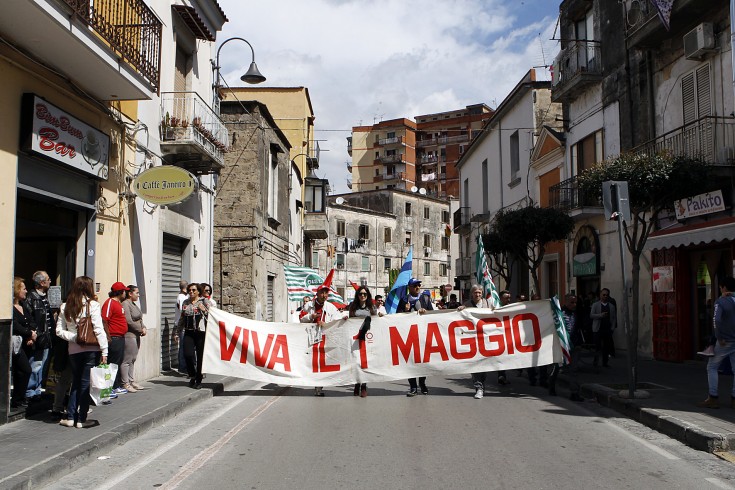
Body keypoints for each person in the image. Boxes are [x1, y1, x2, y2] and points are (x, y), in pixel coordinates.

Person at [56, 276, 108, 428]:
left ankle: (71, 417)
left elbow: (59, 330)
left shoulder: (65, 306)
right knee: (85, 384)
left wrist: (74, 337)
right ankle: (81, 419)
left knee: (76, 383)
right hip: (91, 349)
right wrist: (104, 350)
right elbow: (98, 329)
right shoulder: (93, 305)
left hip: (73, 350)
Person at [300, 282, 347, 396]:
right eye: (322, 292)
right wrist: (311, 316)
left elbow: (336, 319)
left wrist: (341, 318)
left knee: (321, 361)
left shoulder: (330, 307)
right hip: (310, 337)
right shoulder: (308, 305)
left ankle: (318, 386)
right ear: (318, 293)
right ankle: (313, 382)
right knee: (311, 361)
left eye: (326, 293)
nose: (324, 295)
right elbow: (301, 318)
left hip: (325, 338)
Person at [699, 277, 735, 409]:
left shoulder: (721, 301)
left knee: (712, 366)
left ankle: (713, 397)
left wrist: (719, 337)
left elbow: (717, 321)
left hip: (726, 340)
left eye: (720, 287)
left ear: (724, 287)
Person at [398, 278, 433, 396]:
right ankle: (413, 386)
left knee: (423, 362)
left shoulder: (425, 299)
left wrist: (426, 312)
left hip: (422, 335)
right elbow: (396, 317)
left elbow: (433, 315)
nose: (418, 287)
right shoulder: (403, 300)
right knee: (410, 362)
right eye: (415, 285)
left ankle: (422, 383)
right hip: (408, 336)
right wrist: (404, 310)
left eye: (419, 285)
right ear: (410, 287)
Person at [24, 270, 53, 401]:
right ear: (42, 282)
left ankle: (37, 390)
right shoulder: (31, 298)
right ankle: (30, 392)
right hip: (38, 338)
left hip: (45, 337)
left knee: (42, 365)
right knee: (35, 364)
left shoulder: (43, 297)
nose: (50, 281)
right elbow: (30, 319)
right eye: (48, 279)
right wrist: (34, 334)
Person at [176, 283, 213, 389]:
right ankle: (192, 374)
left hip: (200, 332)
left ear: (198, 292)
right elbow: (182, 318)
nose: (191, 292)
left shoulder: (204, 301)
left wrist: (204, 310)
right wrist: (177, 332)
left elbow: (213, 313)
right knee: (188, 354)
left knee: (200, 357)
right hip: (188, 332)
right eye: (189, 290)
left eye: (193, 290)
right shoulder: (186, 303)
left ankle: (198, 379)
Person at [548, 293, 583, 401]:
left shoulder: (577, 314)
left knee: (574, 370)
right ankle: (551, 386)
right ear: (566, 302)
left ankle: (574, 393)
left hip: (574, 345)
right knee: (557, 367)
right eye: (572, 302)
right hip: (561, 345)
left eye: (575, 302)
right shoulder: (559, 314)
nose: (574, 304)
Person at [458, 285, 491, 399]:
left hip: (485, 338)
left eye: (479, 293)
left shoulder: (488, 304)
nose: (477, 295)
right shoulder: (466, 305)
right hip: (472, 338)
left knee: (484, 365)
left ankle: (482, 384)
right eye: (475, 293)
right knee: (475, 364)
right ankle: (479, 387)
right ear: (472, 294)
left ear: (482, 293)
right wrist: (460, 311)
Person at [348, 286, 377, 397]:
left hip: (367, 338)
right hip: (355, 337)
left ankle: (364, 385)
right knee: (356, 361)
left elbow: (376, 321)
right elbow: (350, 321)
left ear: (368, 295)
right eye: (360, 293)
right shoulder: (353, 307)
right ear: (357, 295)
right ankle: (356, 384)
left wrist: (379, 316)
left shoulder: (371, 307)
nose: (363, 295)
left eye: (365, 294)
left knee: (365, 362)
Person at [102, 282, 130, 396]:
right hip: (113, 337)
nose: (125, 293)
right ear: (120, 292)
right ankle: (109, 388)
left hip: (120, 337)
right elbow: (104, 319)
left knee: (117, 363)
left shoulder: (119, 303)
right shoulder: (109, 303)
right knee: (111, 364)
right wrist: (108, 337)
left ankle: (116, 385)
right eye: (124, 291)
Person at [11, 277, 35, 409]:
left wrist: (32, 334)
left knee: (21, 371)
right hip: (15, 344)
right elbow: (15, 326)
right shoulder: (11, 308)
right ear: (16, 290)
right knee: (25, 370)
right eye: (23, 288)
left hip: (25, 343)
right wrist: (29, 333)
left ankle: (18, 399)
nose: (26, 291)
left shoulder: (23, 306)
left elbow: (31, 321)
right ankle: (17, 398)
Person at [121, 285, 147, 393]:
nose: (139, 295)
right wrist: (140, 329)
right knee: (127, 360)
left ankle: (131, 380)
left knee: (133, 359)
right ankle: (125, 383)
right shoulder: (125, 304)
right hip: (129, 335)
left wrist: (143, 327)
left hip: (136, 334)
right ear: (130, 293)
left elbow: (139, 318)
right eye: (137, 293)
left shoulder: (133, 304)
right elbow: (128, 320)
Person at [590, 288, 617, 368]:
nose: (605, 296)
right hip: (597, 329)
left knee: (606, 347)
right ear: (600, 295)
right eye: (603, 295)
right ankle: (595, 362)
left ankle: (605, 363)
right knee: (597, 347)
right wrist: (600, 315)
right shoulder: (595, 305)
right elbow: (591, 315)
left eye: (607, 295)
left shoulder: (611, 306)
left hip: (607, 329)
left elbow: (614, 318)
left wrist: (612, 328)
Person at [175, 279, 189, 375]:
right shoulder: (182, 298)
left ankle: (184, 366)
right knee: (183, 346)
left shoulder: (183, 297)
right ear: (185, 288)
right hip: (182, 325)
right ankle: (182, 367)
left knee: (184, 346)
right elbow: (183, 312)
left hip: (182, 324)